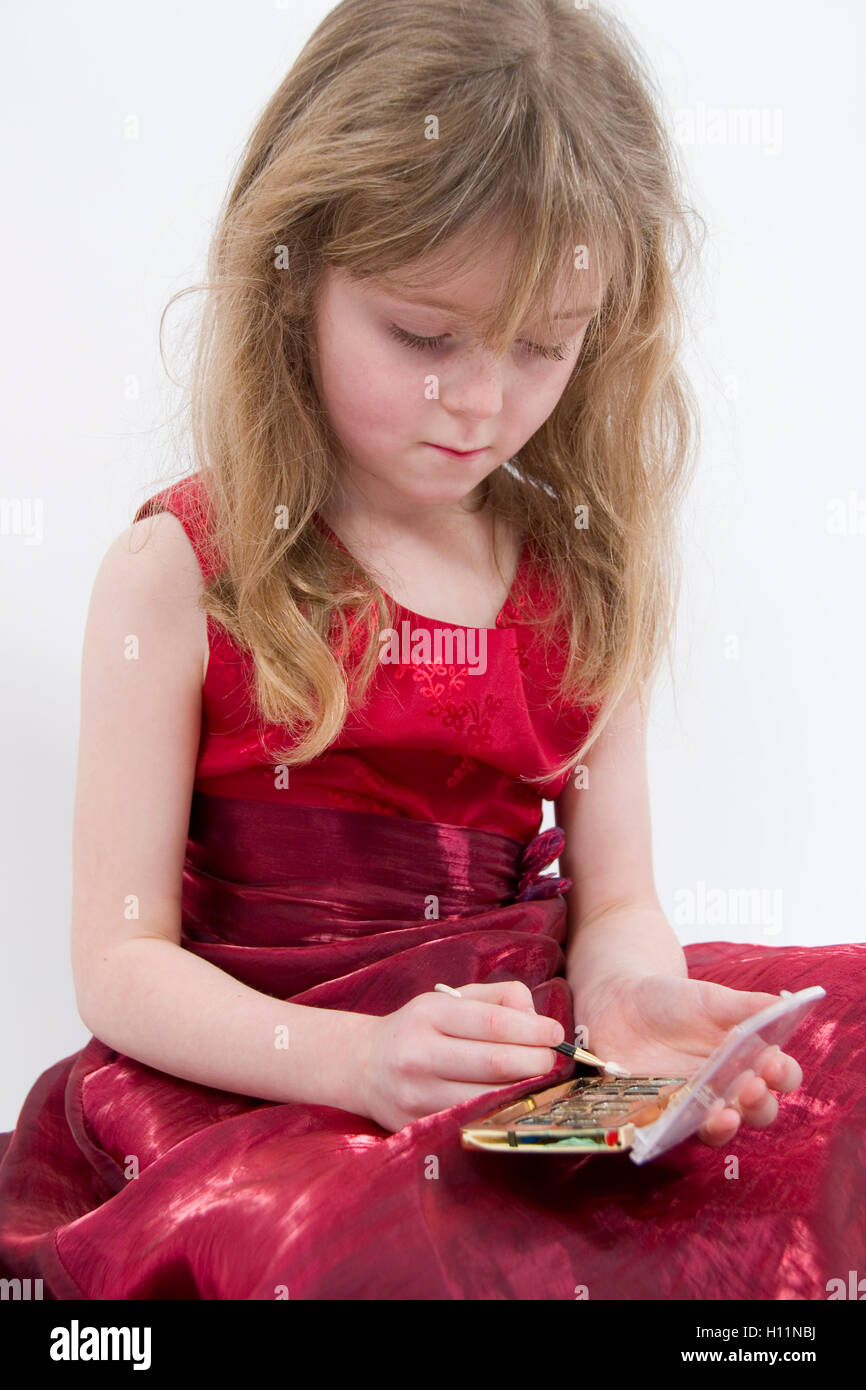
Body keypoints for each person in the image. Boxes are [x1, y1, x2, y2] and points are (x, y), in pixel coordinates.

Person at [0, 0, 862, 1300]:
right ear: (295, 271)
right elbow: (119, 963)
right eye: (422, 337)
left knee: (830, 1070)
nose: (479, 403)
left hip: (514, 1053)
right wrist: (352, 1062)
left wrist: (627, 1006)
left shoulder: (575, 577)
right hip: (271, 1075)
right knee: (377, 1245)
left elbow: (618, 899)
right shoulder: (183, 570)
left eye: (540, 347)